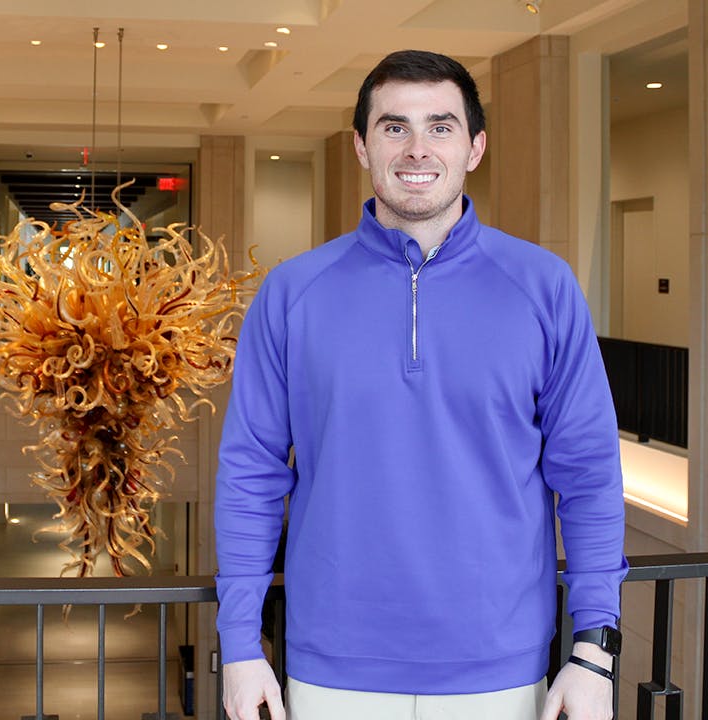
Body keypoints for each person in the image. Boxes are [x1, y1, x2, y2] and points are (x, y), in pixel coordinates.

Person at [214, 49, 628, 720]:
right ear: (361, 145)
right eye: (393, 126)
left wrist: (593, 651)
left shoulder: (543, 287)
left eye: (440, 126)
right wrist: (239, 644)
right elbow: (250, 474)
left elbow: (588, 476)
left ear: (475, 147)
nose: (416, 148)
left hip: (502, 668)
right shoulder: (292, 293)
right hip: (332, 670)